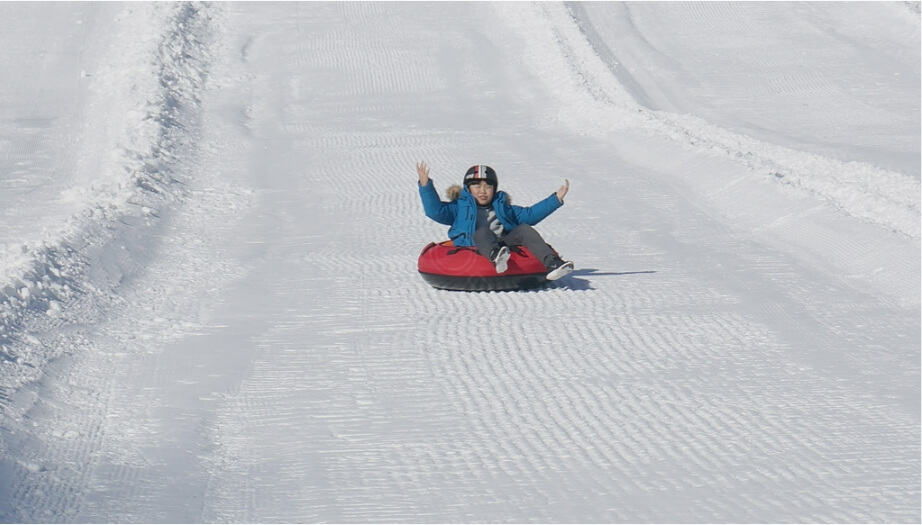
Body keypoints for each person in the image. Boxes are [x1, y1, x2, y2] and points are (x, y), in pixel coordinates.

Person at [416, 161, 574, 281]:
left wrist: (555, 199)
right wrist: (426, 186)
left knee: (524, 228)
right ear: (468, 189)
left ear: (495, 189)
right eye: (477, 186)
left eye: (488, 186)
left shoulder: (502, 207)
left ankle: (552, 263)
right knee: (483, 231)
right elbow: (435, 211)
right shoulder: (459, 207)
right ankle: (495, 256)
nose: (483, 191)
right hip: (471, 247)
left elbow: (530, 214)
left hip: (503, 246)